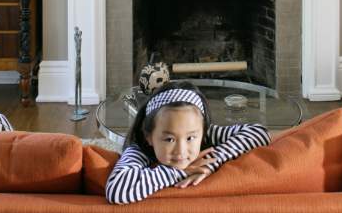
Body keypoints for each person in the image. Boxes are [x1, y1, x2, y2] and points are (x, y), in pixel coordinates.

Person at [105, 81, 271, 205]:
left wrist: (212, 161)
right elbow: (117, 190)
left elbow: (260, 133)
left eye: (190, 138)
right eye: (169, 139)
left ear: (203, 131)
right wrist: (181, 172)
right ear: (149, 136)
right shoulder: (139, 150)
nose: (181, 151)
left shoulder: (207, 136)